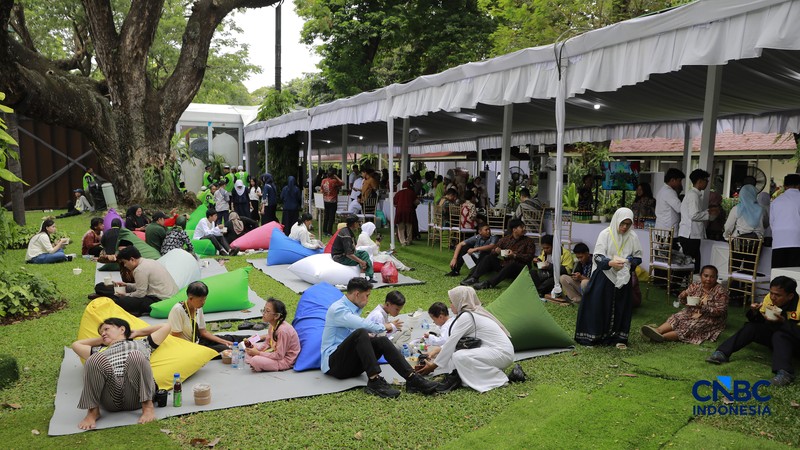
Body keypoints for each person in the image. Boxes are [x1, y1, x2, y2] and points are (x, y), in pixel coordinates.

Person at [321, 277, 438, 398]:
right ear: (357, 294)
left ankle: (412, 379)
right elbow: (362, 324)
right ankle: (374, 382)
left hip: (351, 365)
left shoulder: (353, 309)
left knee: (381, 340)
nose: (368, 299)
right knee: (361, 332)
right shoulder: (338, 309)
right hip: (334, 366)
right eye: (367, 295)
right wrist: (386, 326)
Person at [71, 318, 171, 430]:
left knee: (136, 355)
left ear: (122, 329)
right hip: (111, 396)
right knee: (93, 359)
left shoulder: (143, 343)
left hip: (137, 394)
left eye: (106, 329)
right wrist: (103, 339)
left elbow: (166, 326)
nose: (103, 333)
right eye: (101, 332)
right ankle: (92, 411)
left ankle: (147, 407)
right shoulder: (99, 350)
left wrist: (137, 332)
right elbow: (76, 345)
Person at [416, 286, 514, 393]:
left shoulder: (467, 316)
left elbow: (451, 343)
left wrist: (433, 366)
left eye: (452, 302)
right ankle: (480, 376)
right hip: (498, 352)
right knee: (457, 355)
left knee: (459, 356)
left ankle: (499, 379)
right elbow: (453, 343)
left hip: (502, 353)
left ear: (460, 301)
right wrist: (436, 353)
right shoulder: (472, 312)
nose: (450, 306)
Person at [706, 276, 800, 386]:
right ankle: (722, 353)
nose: (773, 297)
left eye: (778, 295)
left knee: (780, 335)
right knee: (751, 327)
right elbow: (761, 322)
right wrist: (755, 312)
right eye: (771, 293)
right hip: (776, 339)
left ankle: (785, 373)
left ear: (790, 296)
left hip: (795, 343)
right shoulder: (769, 299)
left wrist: (783, 322)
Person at [574, 208, 643, 347]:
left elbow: (638, 257)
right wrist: (610, 263)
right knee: (598, 305)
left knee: (620, 307)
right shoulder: (605, 234)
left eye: (628, 224)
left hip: (623, 277)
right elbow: (598, 256)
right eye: (622, 223)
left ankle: (617, 338)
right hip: (604, 275)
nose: (625, 227)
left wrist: (630, 261)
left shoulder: (632, 236)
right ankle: (594, 337)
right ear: (616, 221)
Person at [641, 265, 728, 344]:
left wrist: (703, 308)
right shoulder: (695, 286)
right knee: (677, 317)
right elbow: (684, 301)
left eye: (712, 277)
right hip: (692, 312)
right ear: (701, 276)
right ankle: (658, 331)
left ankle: (662, 337)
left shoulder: (721, 291)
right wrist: (682, 296)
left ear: (716, 278)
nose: (708, 279)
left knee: (692, 325)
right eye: (706, 276)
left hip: (710, 318)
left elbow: (720, 311)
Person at [96, 246, 179, 316]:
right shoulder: (150, 262)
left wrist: (126, 295)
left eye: (125, 262)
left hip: (159, 299)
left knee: (122, 301)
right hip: (164, 294)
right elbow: (143, 286)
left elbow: (140, 293)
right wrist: (126, 285)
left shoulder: (139, 269)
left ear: (132, 259)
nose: (125, 265)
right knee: (102, 286)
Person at [462, 219, 536, 290]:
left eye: (524, 227)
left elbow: (530, 257)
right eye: (521, 227)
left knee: (512, 264)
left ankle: (489, 283)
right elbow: (494, 251)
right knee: (488, 257)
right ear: (514, 230)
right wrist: (496, 251)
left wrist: (514, 255)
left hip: (520, 268)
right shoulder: (505, 239)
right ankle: (474, 278)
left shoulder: (529, 241)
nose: (524, 229)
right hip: (505, 265)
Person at [168, 281, 238, 352]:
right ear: (190, 298)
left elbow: (203, 332)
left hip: (198, 341)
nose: (203, 303)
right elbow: (176, 339)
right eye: (201, 300)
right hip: (188, 347)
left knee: (231, 339)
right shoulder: (178, 310)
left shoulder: (198, 307)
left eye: (205, 299)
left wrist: (224, 341)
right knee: (224, 349)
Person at [245, 297, 301, 372]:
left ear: (276, 316)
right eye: (264, 310)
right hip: (272, 352)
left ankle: (256, 363)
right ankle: (257, 363)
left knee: (255, 360)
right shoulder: (272, 325)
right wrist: (255, 350)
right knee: (249, 348)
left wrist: (258, 353)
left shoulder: (283, 331)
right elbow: (267, 343)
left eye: (267, 311)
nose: (263, 313)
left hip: (284, 360)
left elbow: (279, 355)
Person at [678, 169, 713, 273]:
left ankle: (686, 281)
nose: (707, 183)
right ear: (700, 181)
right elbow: (694, 215)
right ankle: (685, 281)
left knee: (690, 263)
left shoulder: (693, 194)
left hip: (689, 234)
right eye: (706, 180)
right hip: (690, 234)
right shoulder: (693, 195)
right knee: (691, 264)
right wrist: (709, 214)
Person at [332, 215, 375, 282]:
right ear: (354, 223)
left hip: (345, 254)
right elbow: (349, 254)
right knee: (364, 259)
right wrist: (361, 261)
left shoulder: (347, 230)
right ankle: (368, 276)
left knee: (364, 253)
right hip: (340, 257)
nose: (359, 224)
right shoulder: (346, 235)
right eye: (358, 222)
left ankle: (368, 275)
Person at [770, 173, 800, 268]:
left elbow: (772, 222)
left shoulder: (776, 201)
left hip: (779, 240)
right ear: (799, 185)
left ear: (785, 186)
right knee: (795, 272)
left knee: (778, 271)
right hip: (797, 240)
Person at [655, 168, 685, 233]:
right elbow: (680, 208)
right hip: (668, 229)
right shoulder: (669, 192)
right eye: (679, 181)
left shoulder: (662, 190)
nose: (680, 184)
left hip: (661, 228)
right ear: (672, 180)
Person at [394, 180, 418, 246]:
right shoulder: (411, 193)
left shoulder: (398, 193)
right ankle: (409, 240)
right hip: (409, 211)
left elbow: (394, 203)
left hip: (400, 212)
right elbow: (416, 202)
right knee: (409, 226)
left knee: (401, 227)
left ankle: (403, 241)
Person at [321, 168, 344, 236]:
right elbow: (343, 183)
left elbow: (321, 190)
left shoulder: (323, 180)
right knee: (331, 217)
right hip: (332, 201)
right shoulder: (334, 181)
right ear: (333, 174)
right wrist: (336, 177)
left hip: (325, 200)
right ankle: (329, 231)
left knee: (326, 216)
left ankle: (324, 230)